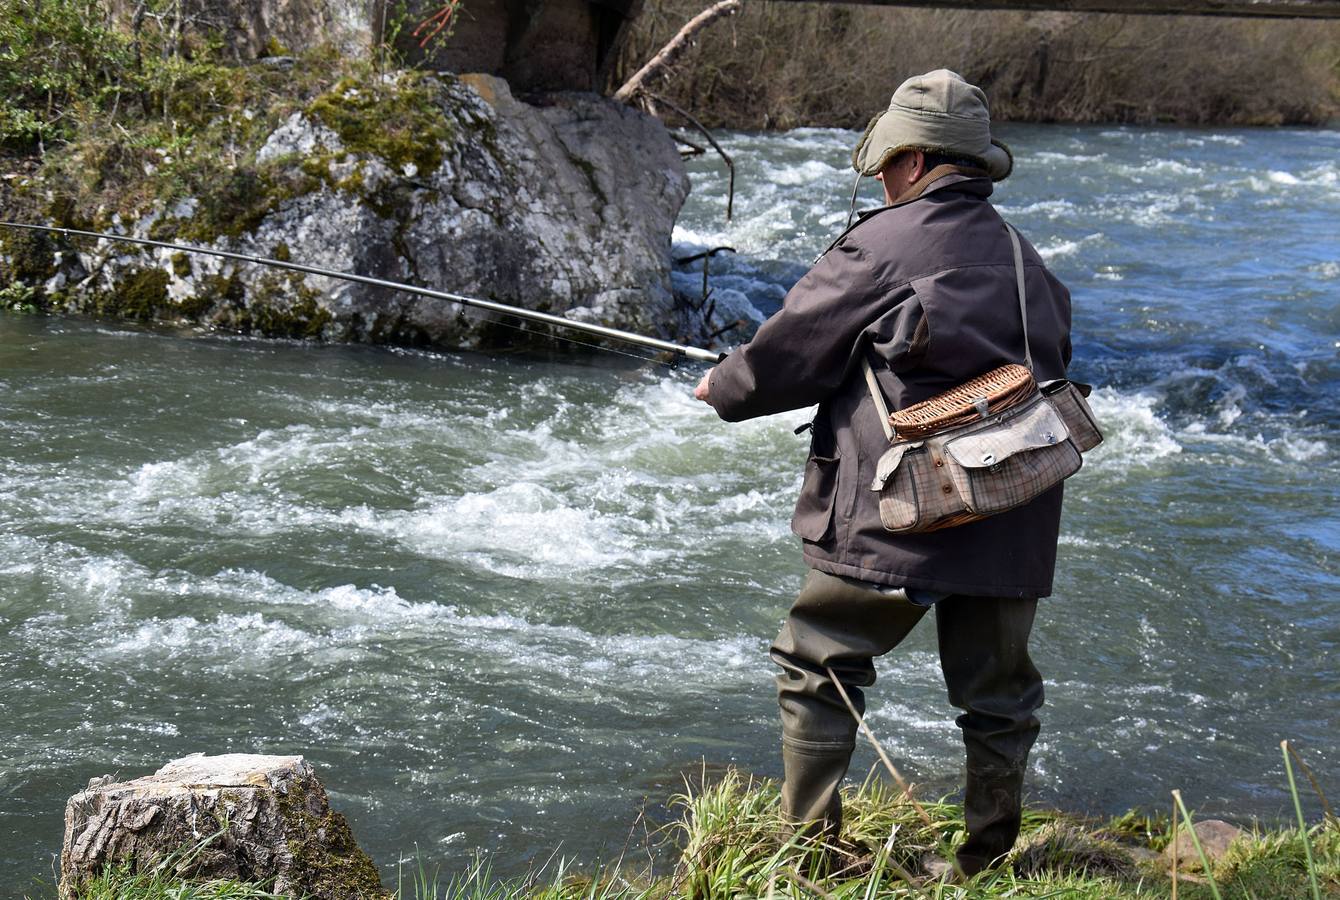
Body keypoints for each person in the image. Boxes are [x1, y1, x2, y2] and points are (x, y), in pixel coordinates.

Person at [692, 69, 1073, 877]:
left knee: (818, 661)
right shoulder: (1025, 257)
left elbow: (785, 356)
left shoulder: (880, 244)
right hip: (1012, 506)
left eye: (885, 160)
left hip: (895, 508)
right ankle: (983, 864)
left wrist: (721, 385)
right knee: (998, 696)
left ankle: (810, 857)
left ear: (907, 158)